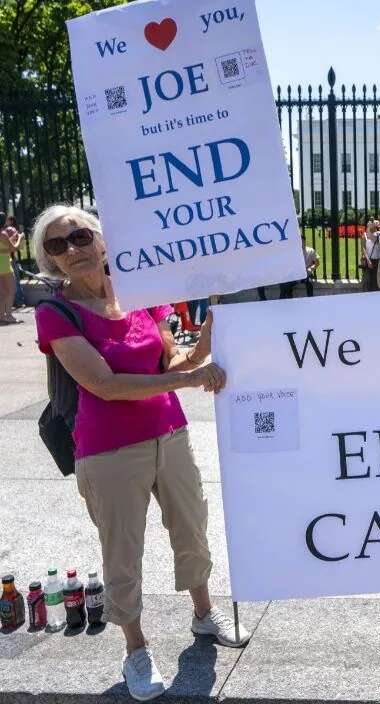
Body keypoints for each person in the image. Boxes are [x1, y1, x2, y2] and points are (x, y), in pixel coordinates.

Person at [30, 204, 246, 702]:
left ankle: (202, 614)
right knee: (122, 553)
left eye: (80, 236)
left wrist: (207, 339)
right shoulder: (54, 313)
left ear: (102, 240)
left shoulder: (138, 295)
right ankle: (135, 648)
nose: (74, 249)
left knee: (191, 528)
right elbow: (103, 385)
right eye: (58, 245)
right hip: (107, 449)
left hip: (169, 432)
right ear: (50, 259)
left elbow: (171, 358)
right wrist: (188, 379)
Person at [0, 212, 22, 324]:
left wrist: (12, 238)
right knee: (11, 290)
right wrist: (20, 238)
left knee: (3, 292)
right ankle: (8, 315)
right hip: (4, 265)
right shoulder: (3, 234)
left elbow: (4, 247)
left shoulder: (3, 235)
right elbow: (14, 248)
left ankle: (2, 316)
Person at [3, 214, 27, 310]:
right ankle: (18, 301)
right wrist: (20, 238)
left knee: (10, 284)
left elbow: (10, 246)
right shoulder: (6, 232)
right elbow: (14, 247)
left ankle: (16, 302)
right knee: (14, 283)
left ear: (11, 221)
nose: (6, 222)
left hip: (9, 259)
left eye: (7, 220)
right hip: (8, 260)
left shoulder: (8, 230)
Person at [360, 221, 379, 292]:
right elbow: (363, 249)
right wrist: (368, 260)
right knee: (367, 279)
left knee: (376, 278)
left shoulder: (378, 234)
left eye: (371, 225)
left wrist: (370, 234)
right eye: (368, 225)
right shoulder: (364, 235)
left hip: (378, 259)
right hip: (369, 259)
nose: (369, 226)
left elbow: (376, 241)